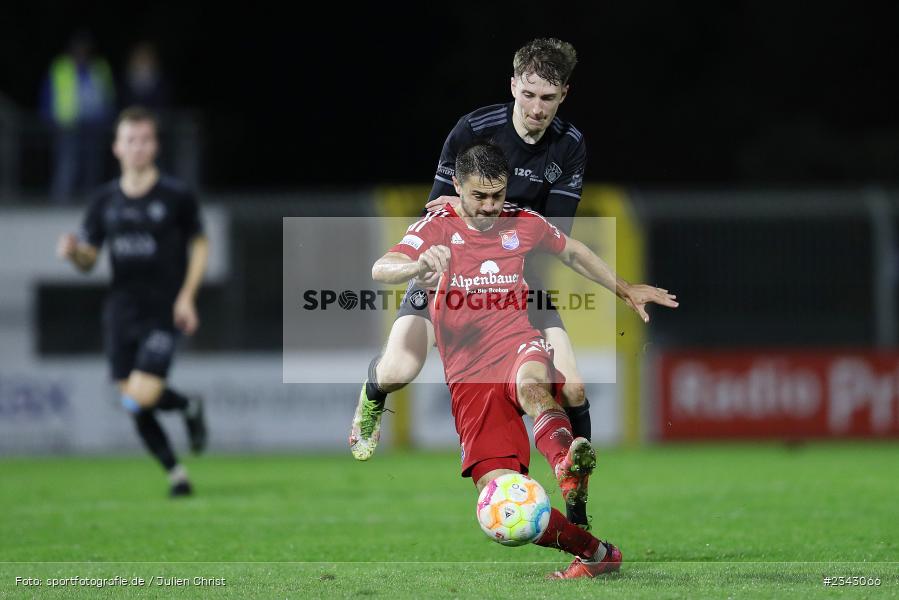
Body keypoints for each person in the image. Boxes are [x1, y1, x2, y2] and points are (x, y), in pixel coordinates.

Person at [370, 142, 677, 578]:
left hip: (516, 342)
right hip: (470, 378)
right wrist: (416, 264)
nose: (490, 206)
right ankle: (596, 554)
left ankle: (564, 467)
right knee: (502, 502)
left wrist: (625, 288)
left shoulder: (521, 222)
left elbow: (572, 251)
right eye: (479, 196)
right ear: (457, 186)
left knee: (535, 385)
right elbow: (382, 268)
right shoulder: (436, 227)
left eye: (497, 195)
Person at [351, 38, 595, 528]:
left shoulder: (569, 146)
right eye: (528, 94)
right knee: (400, 367)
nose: (536, 108)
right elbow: (438, 208)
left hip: (520, 277)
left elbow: (559, 235)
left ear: (564, 94)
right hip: (451, 271)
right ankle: (372, 396)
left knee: (571, 389)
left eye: (547, 98)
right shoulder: (473, 130)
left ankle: (579, 508)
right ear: (513, 85)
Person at [56, 106, 209, 497]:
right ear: (117, 148)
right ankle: (177, 473)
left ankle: (187, 410)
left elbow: (200, 243)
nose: (138, 147)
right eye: (130, 140)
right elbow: (90, 260)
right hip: (121, 311)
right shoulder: (104, 200)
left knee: (143, 394)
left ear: (155, 145)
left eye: (145, 139)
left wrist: (187, 297)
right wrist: (75, 253)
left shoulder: (175, 195)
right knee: (132, 402)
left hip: (163, 308)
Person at [40, 31, 117, 203]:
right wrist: (48, 118)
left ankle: (91, 200)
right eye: (78, 49)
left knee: (92, 164)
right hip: (67, 124)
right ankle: (61, 200)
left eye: (85, 49)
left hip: (94, 124)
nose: (81, 52)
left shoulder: (99, 67)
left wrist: (107, 118)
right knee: (67, 162)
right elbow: (47, 94)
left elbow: (108, 95)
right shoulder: (61, 67)